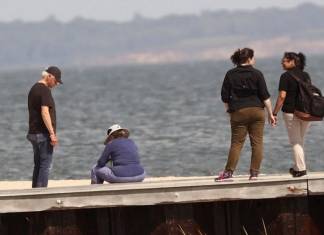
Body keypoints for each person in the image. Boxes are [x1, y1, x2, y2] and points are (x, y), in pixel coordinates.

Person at [217, 48, 276, 181]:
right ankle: (254, 173)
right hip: (257, 111)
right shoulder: (257, 74)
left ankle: (228, 173)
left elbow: (225, 97)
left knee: (236, 143)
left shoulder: (230, 74)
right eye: (253, 57)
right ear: (249, 59)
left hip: (239, 112)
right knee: (257, 143)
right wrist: (270, 114)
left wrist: (229, 111)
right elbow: (265, 96)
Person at [272, 52, 311, 177]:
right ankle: (296, 167)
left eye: (284, 61)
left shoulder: (285, 76)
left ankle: (300, 169)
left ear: (292, 61)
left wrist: (274, 112)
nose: (282, 63)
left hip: (291, 113)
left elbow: (282, 96)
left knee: (295, 141)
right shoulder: (305, 75)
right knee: (300, 141)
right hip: (306, 112)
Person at [27, 66, 62, 188]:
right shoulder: (44, 90)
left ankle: (35, 193)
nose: (56, 83)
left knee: (38, 164)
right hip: (43, 134)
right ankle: (40, 193)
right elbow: (45, 112)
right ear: (49, 76)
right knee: (45, 165)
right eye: (56, 80)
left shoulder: (33, 89)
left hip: (33, 132)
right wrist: (52, 133)